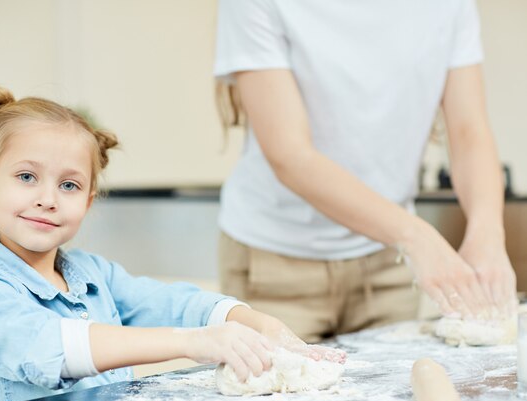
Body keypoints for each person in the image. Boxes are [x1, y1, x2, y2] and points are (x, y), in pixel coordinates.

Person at [0, 85, 346, 401]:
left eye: (69, 185)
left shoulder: (93, 276)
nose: (47, 199)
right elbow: (54, 348)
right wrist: (192, 342)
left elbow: (171, 302)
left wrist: (254, 321)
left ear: (88, 202)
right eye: (27, 177)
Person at [213, 0, 517, 343]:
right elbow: (291, 155)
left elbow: (469, 133)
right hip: (275, 266)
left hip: (388, 266)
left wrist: (488, 233)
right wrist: (417, 237)